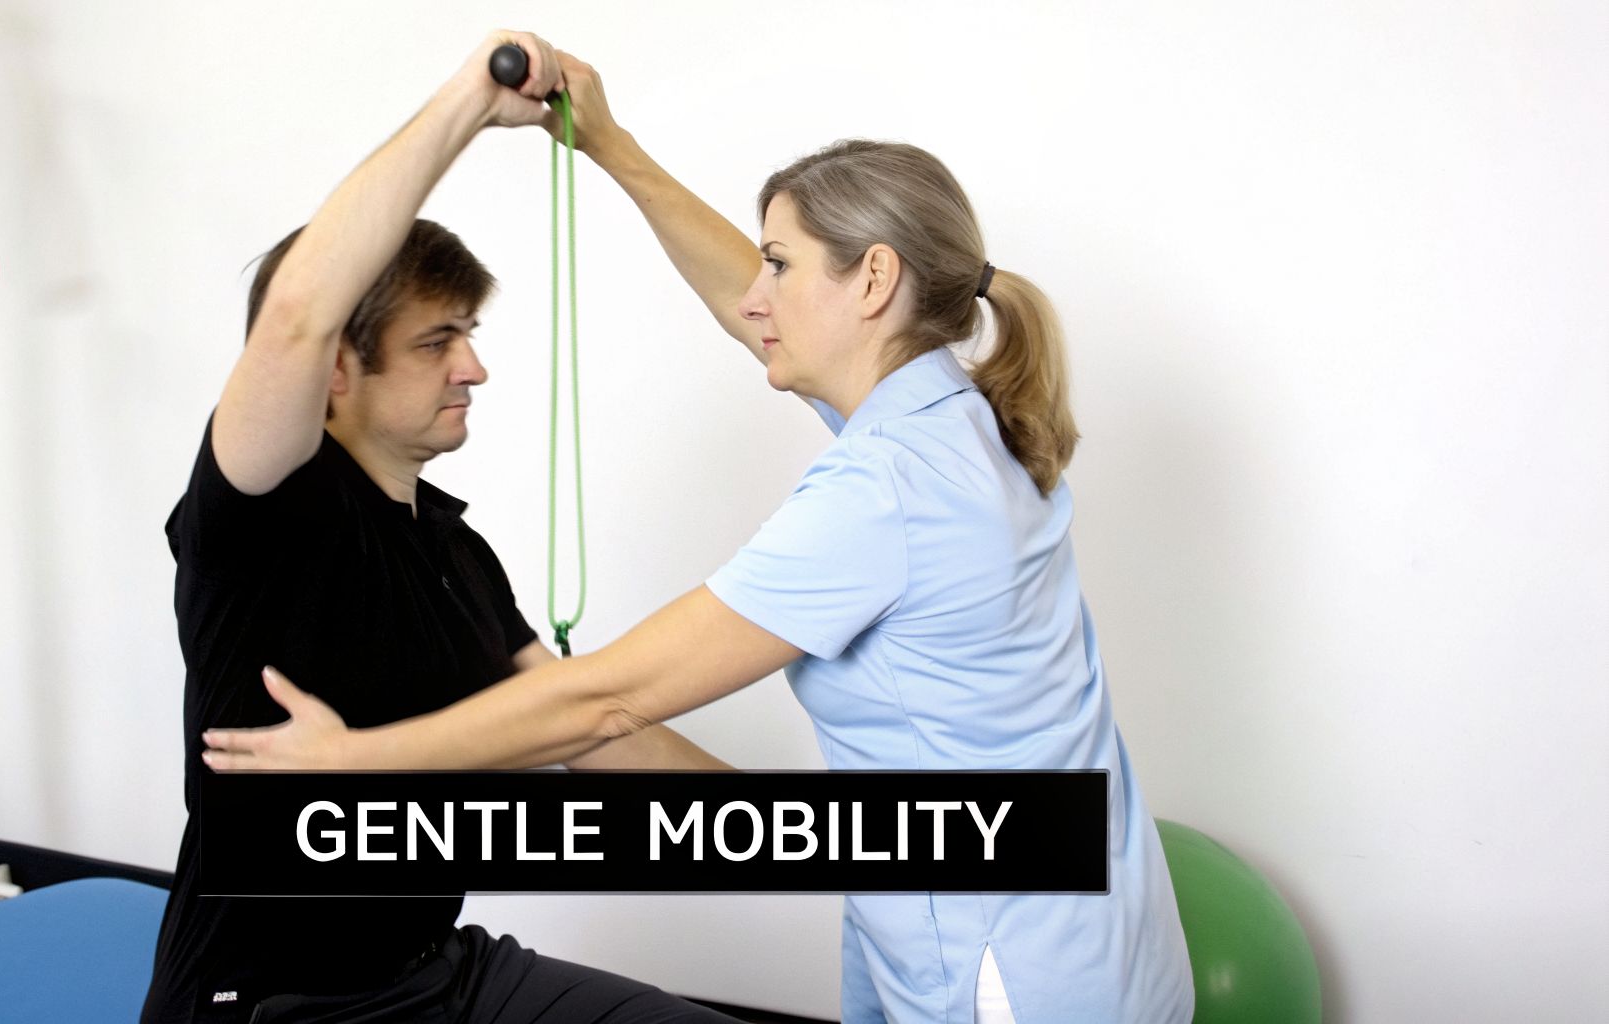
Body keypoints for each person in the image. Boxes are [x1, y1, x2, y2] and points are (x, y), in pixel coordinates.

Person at [203, 49, 1197, 1024]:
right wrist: (609, 146)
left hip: (1009, 960)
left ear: (871, 282)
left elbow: (604, 703)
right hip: (1096, 926)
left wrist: (359, 764)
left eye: (778, 262)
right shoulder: (949, 421)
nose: (754, 297)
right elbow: (294, 320)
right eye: (436, 340)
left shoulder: (880, 487)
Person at [142, 31, 741, 1024]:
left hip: (440, 972)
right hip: (278, 1003)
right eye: (436, 341)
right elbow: (294, 313)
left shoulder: (452, 549)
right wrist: (471, 98)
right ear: (339, 369)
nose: (473, 368)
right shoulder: (263, 515)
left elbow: (590, 724)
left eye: (468, 335)